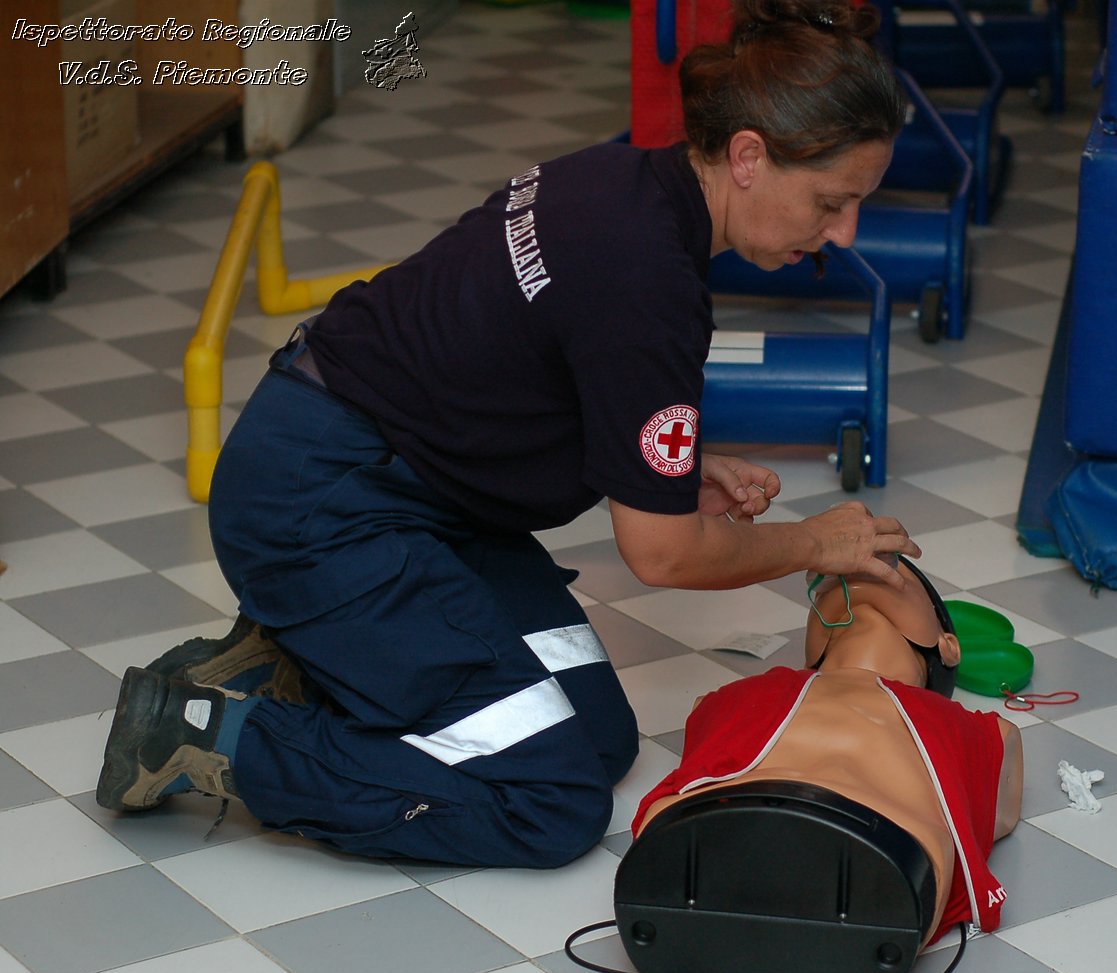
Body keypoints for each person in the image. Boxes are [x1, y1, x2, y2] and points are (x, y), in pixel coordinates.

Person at [94, 0, 918, 870]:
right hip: (319, 506)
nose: (843, 233)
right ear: (748, 155)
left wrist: (672, 466)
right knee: (550, 801)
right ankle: (207, 735)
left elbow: (533, 359)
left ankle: (303, 662)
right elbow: (665, 556)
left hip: (407, 483)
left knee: (599, 742)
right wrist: (817, 542)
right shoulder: (652, 283)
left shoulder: (621, 183)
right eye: (833, 201)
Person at [620, 556, 1024, 973]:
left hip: (880, 846)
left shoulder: (970, 725)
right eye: (832, 574)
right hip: (717, 826)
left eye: (895, 570)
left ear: (947, 647)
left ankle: (738, 895)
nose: (856, 568)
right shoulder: (737, 694)